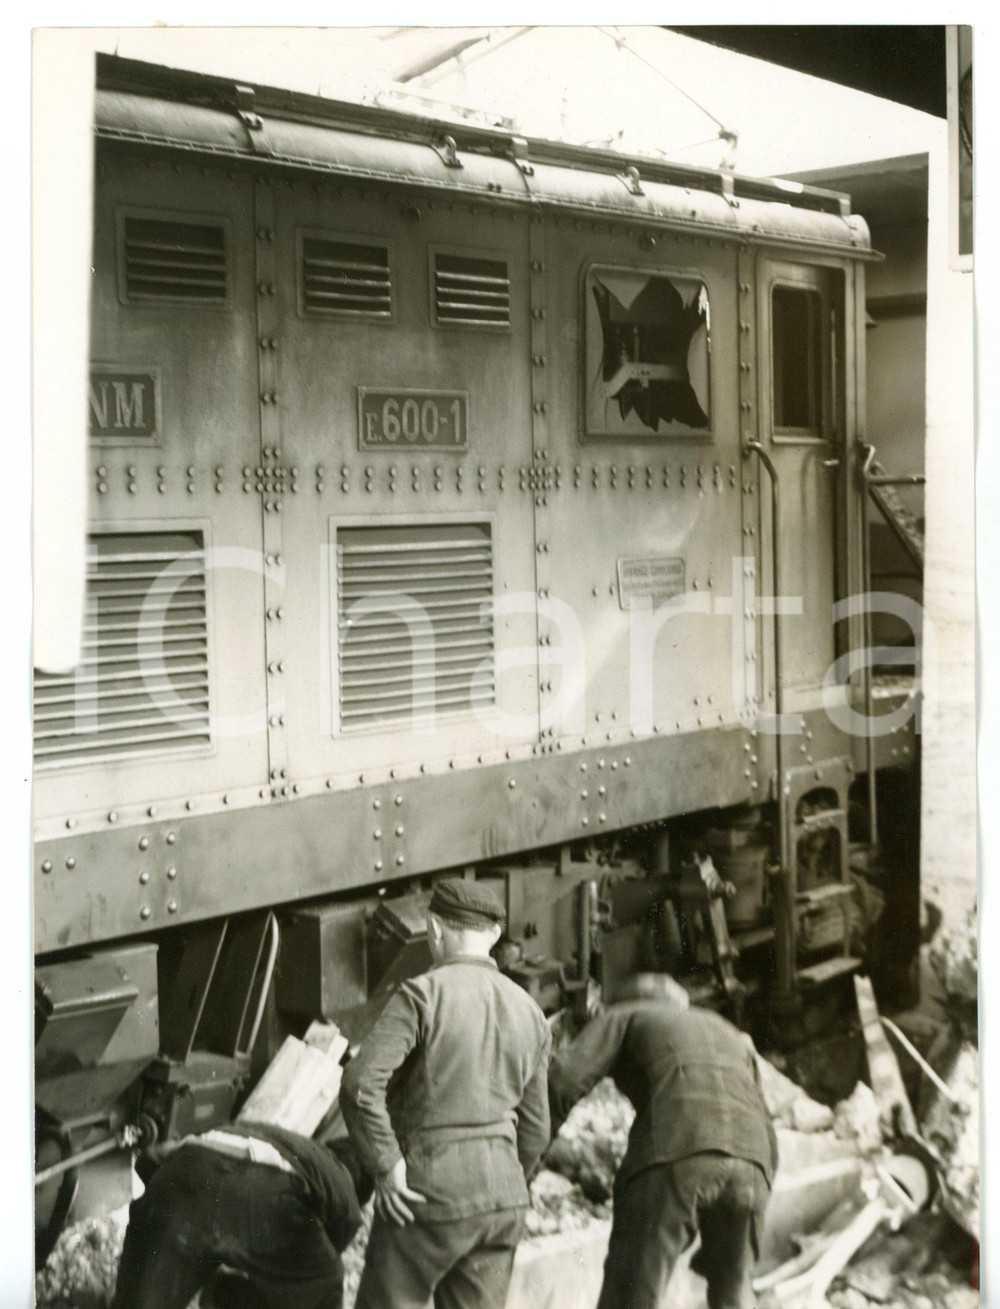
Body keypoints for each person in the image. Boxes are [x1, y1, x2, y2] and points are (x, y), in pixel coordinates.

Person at [341, 878, 551, 1309]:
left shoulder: (423, 994)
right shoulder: (531, 1011)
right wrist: (507, 1181)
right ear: (495, 934)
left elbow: (360, 1083)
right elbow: (537, 1129)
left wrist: (387, 1164)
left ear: (434, 929)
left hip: (428, 1190)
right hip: (503, 1196)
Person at [548, 972, 778, 1309]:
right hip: (754, 1162)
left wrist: (528, 1158)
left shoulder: (626, 1014)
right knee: (734, 1298)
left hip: (677, 1149)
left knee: (630, 1297)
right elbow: (767, 1129)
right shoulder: (730, 1033)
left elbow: (563, 1081)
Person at [111, 1120, 368, 1309]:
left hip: (183, 1169)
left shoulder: (293, 1144)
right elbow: (307, 1274)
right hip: (260, 1193)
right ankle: (221, 1294)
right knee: (323, 1289)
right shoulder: (345, 1190)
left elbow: (150, 1161)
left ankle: (218, 1291)